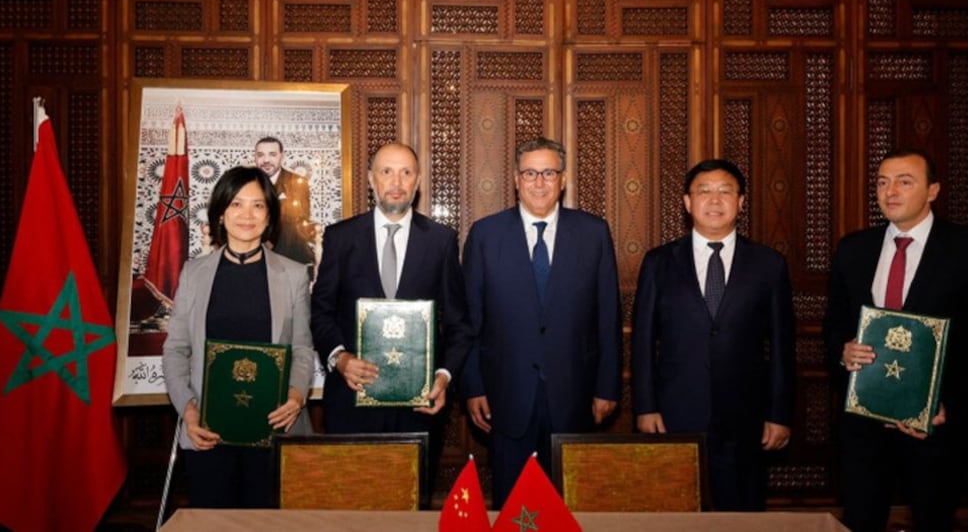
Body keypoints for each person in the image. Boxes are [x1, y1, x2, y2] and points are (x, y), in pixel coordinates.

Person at [823, 149, 968, 532]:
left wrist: (948, 406)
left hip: (934, 426)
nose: (891, 191)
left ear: (933, 190)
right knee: (860, 520)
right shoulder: (853, 249)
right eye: (882, 182)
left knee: (932, 520)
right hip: (864, 424)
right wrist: (843, 350)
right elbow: (834, 326)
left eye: (905, 182)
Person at [461, 136, 621, 509]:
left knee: (567, 506)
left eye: (549, 173)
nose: (539, 182)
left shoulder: (594, 233)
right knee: (514, 508)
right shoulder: (486, 235)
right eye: (530, 173)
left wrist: (607, 387)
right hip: (506, 396)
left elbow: (608, 316)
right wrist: (472, 387)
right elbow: (470, 320)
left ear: (562, 180)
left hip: (575, 394)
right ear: (516, 179)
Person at [631, 158, 795, 511]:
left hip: (746, 416)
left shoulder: (768, 265)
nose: (715, 200)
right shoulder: (659, 262)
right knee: (677, 510)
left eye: (725, 191)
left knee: (742, 511)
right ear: (688, 203)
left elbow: (783, 346)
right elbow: (643, 341)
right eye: (703, 191)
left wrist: (779, 413)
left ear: (741, 202)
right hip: (676, 413)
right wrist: (645, 406)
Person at [161, 166, 315, 508]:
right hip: (208, 431)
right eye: (236, 204)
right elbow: (175, 350)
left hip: (276, 429)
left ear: (270, 215)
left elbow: (303, 348)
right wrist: (188, 411)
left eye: (258, 205)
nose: (247, 215)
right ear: (220, 213)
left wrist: (294, 396)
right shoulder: (194, 273)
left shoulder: (293, 275)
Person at [310, 143, 469, 438]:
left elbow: (458, 323)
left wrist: (444, 376)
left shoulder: (441, 241)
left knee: (413, 486)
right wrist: (339, 358)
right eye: (387, 172)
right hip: (350, 402)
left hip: (419, 407)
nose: (396, 183)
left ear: (418, 181)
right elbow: (320, 312)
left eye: (406, 173)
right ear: (372, 179)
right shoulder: (340, 238)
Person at [254, 136, 317, 267]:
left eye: (272, 154)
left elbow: (298, 221)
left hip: (290, 257)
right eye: (260, 155)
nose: (266, 160)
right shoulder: (247, 183)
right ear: (255, 157)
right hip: (254, 256)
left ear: (282, 156)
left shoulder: (297, 183)